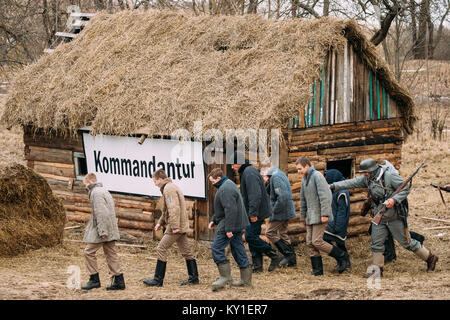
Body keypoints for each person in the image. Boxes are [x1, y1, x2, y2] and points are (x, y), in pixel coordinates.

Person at [329, 158, 439, 277]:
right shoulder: (369, 179)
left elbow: (405, 189)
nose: (364, 174)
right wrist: (333, 186)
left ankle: (430, 258)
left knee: (407, 243)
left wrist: (393, 199)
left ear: (372, 170)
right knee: (376, 243)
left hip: (394, 215)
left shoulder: (390, 176)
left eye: (365, 172)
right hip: (379, 215)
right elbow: (351, 183)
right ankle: (377, 271)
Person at [143, 169, 198, 287]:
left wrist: (174, 227)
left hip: (176, 226)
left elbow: (174, 208)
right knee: (186, 252)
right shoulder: (170, 187)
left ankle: (158, 280)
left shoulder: (169, 189)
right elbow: (167, 210)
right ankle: (194, 278)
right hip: (180, 224)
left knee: (161, 248)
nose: (154, 183)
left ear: (160, 179)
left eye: (155, 181)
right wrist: (160, 222)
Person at [297, 156, 349, 275]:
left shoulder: (317, 176)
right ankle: (317, 270)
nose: (298, 172)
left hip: (319, 215)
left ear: (307, 166)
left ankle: (342, 256)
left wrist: (325, 214)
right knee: (310, 242)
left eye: (300, 169)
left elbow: (325, 196)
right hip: (309, 216)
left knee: (317, 241)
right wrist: (303, 216)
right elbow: (302, 199)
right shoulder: (305, 179)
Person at [231, 153, 282, 273]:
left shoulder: (249, 173)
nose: (232, 167)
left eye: (233, 164)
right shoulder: (247, 172)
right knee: (252, 237)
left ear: (239, 163)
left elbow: (255, 194)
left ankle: (274, 255)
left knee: (250, 236)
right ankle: (258, 266)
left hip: (256, 212)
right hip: (253, 211)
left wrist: (253, 213)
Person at [208, 168, 252, 291]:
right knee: (238, 249)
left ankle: (225, 277)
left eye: (212, 182)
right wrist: (214, 220)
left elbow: (230, 209)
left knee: (216, 248)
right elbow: (222, 209)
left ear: (218, 179)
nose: (212, 184)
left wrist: (229, 229)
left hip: (230, 225)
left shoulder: (225, 188)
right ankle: (246, 280)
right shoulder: (228, 184)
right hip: (236, 224)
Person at [81, 173, 125, 291]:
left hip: (103, 229)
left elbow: (101, 212)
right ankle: (119, 281)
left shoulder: (96, 193)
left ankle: (94, 280)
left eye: (85, 184)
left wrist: (102, 231)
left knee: (88, 252)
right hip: (109, 227)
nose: (85, 187)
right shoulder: (104, 190)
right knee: (111, 254)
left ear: (89, 182)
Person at [262, 166, 297, 268]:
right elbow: (269, 191)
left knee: (269, 233)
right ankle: (292, 260)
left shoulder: (276, 177)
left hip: (281, 212)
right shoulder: (277, 175)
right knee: (282, 233)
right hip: (285, 211)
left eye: (263, 176)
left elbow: (282, 197)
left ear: (267, 174)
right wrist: (267, 182)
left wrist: (274, 211)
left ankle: (288, 255)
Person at [323, 169, 351, 272]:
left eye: (327, 179)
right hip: (333, 222)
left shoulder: (342, 192)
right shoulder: (335, 190)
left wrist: (338, 227)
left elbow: (342, 212)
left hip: (337, 224)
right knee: (339, 244)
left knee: (326, 240)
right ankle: (343, 261)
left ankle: (343, 259)